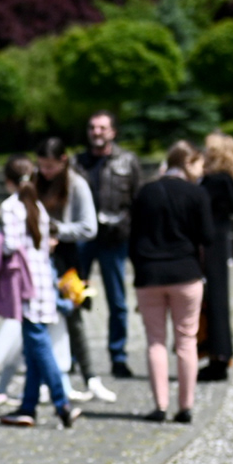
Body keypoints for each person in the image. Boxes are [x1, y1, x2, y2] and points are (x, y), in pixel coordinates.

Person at [130, 142, 214, 423]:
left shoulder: (145, 192)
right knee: (186, 341)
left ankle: (160, 405)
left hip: (149, 275)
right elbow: (208, 236)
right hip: (185, 274)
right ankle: (185, 406)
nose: (202, 170)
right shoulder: (197, 194)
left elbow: (133, 237)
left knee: (155, 341)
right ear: (187, 162)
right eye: (199, 164)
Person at [0, 158, 80, 429]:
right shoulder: (38, 206)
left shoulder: (10, 206)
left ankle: (62, 403)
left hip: (24, 283)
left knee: (39, 345)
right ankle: (28, 407)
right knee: (33, 349)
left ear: (8, 181)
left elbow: (10, 245)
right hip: (43, 280)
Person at [37, 138, 114, 403]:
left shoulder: (77, 184)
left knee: (74, 318)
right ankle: (48, 379)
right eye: (41, 166)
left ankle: (90, 377)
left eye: (49, 166)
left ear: (63, 161)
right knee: (41, 319)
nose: (45, 171)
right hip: (38, 258)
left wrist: (57, 230)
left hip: (67, 260)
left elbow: (89, 227)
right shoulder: (36, 181)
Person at [74, 112, 142, 378]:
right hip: (82, 238)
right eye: (92, 127)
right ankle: (72, 355)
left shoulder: (128, 161)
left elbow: (137, 201)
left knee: (117, 301)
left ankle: (118, 356)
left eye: (102, 127)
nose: (97, 132)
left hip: (115, 238)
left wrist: (130, 229)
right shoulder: (77, 163)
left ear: (113, 131)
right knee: (73, 296)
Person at [198, 134, 233, 382]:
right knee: (217, 301)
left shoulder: (215, 181)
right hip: (219, 244)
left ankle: (218, 357)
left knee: (214, 302)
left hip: (210, 245)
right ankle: (219, 355)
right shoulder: (227, 180)